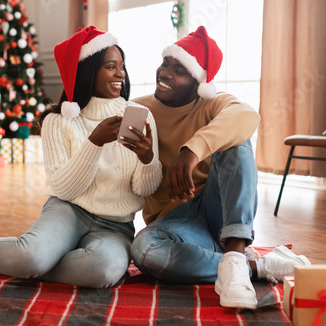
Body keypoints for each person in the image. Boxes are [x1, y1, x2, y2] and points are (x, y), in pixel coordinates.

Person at [0, 26, 162, 289]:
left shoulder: (140, 116)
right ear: (87, 71)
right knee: (31, 255)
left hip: (115, 226)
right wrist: (94, 142)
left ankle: (17, 265)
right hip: (69, 210)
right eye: (111, 66)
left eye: (122, 66)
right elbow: (64, 189)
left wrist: (148, 158)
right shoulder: (58, 121)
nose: (121, 74)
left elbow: (143, 189)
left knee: (102, 271)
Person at [130, 26, 310, 309]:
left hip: (219, 211)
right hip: (176, 225)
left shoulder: (212, 103)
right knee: (145, 251)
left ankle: (236, 250)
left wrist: (192, 151)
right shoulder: (139, 110)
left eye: (179, 70)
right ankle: (252, 266)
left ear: (198, 83)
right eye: (165, 63)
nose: (165, 73)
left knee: (237, 143)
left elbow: (246, 115)